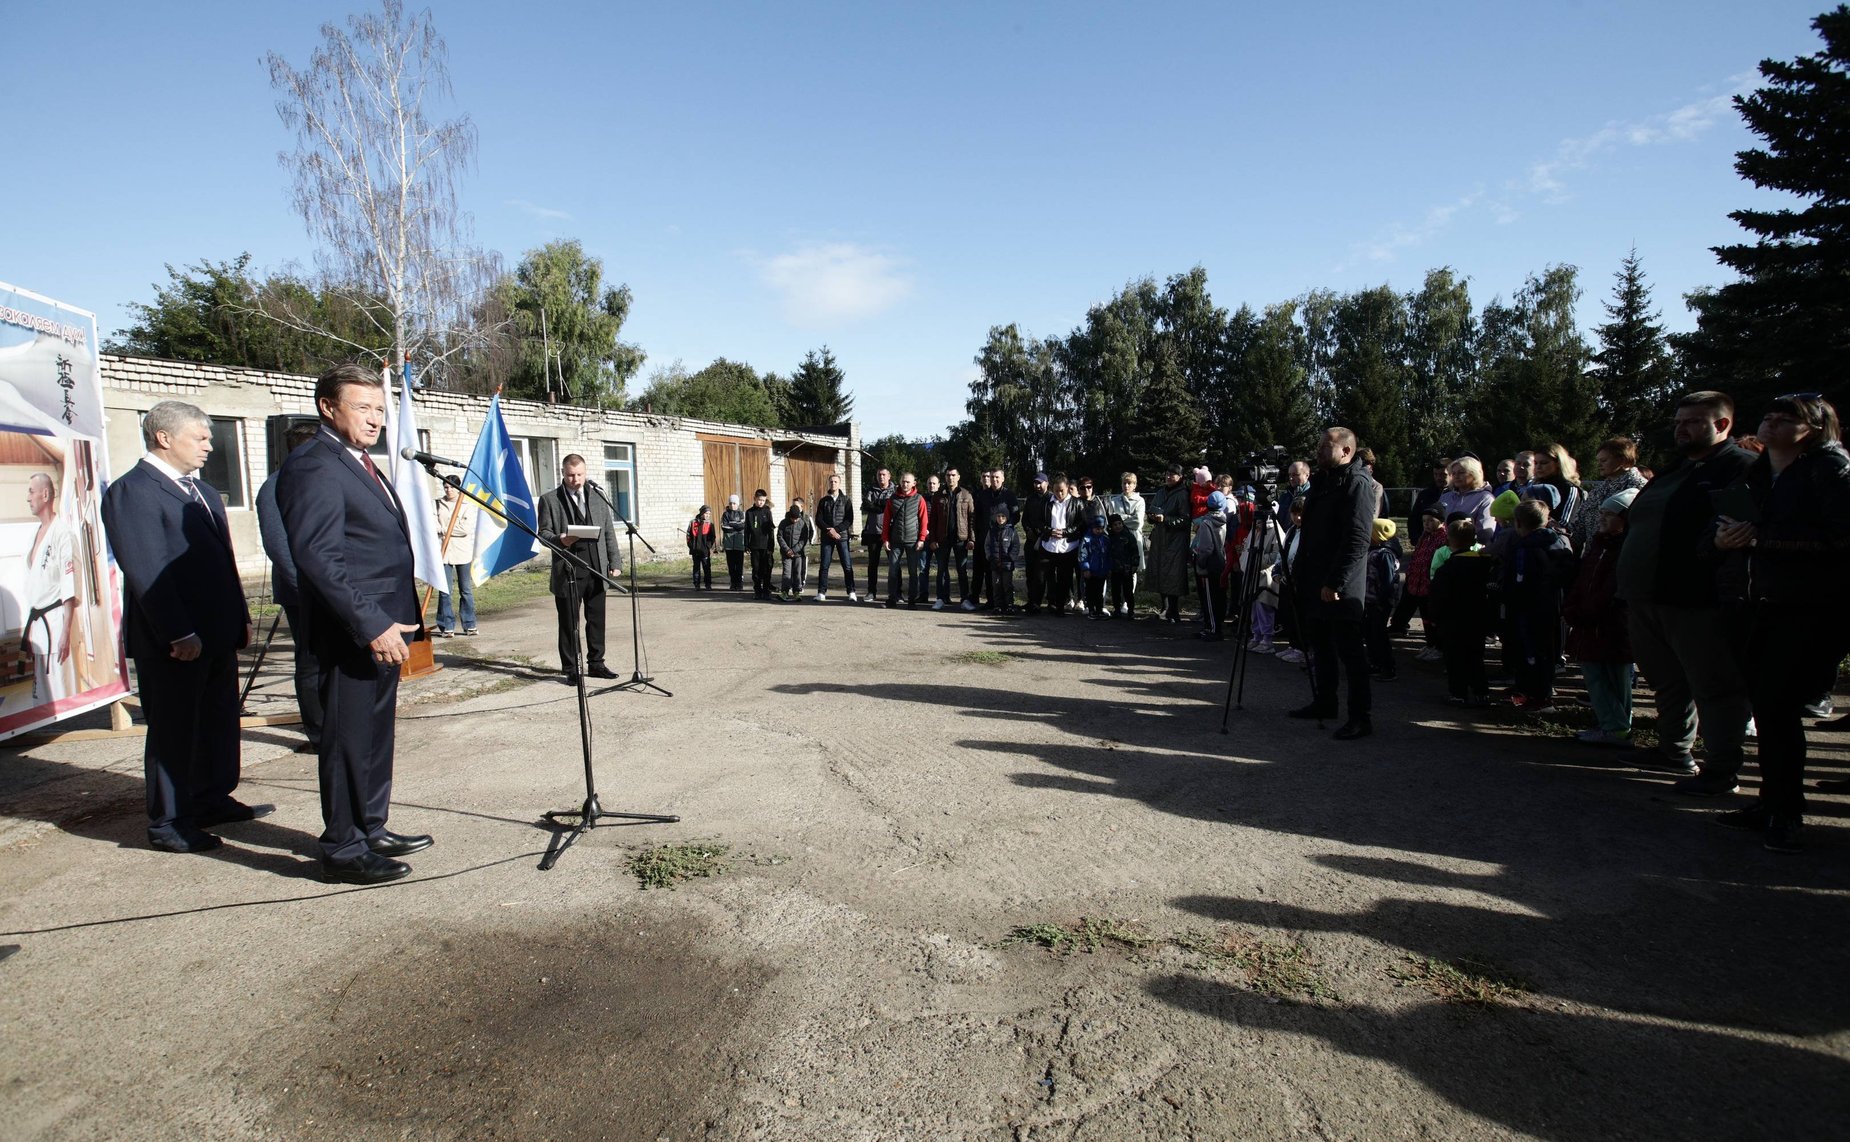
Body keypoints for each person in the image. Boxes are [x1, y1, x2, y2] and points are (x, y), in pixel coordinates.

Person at [276, 365, 428, 884]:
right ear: (328, 407)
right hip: (352, 630)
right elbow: (318, 557)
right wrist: (370, 624)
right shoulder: (313, 465)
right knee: (346, 740)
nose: (375, 418)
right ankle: (343, 847)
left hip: (385, 623)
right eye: (362, 407)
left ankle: (371, 825)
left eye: (380, 409)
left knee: (374, 734)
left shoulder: (358, 462)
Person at [101, 399, 259, 855]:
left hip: (216, 631)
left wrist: (240, 616)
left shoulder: (202, 492)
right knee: (174, 730)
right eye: (202, 437)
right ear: (164, 437)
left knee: (217, 721)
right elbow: (147, 568)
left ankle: (210, 797)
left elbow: (224, 563)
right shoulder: (135, 491)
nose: (211, 446)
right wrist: (176, 631)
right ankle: (169, 821)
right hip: (174, 640)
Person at [1714, 394, 1850, 853]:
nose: (1770, 424)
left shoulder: (1830, 470)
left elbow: (1840, 538)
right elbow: (1729, 524)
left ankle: (1787, 811)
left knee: (1779, 708)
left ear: (1814, 427)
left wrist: (1761, 538)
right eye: (1767, 416)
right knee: (1766, 709)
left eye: (1785, 419)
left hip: (1805, 607)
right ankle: (1769, 802)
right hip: (1752, 602)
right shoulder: (1756, 471)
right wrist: (1721, 538)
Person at [1616, 391, 1755, 793]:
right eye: (1678, 421)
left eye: (1692, 421)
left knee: (1713, 685)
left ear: (1723, 424)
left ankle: (1722, 768)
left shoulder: (1737, 467)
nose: (1681, 428)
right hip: (1647, 595)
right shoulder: (1679, 469)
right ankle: (1674, 749)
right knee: (1667, 680)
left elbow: (1738, 527)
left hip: (1697, 599)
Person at [1289, 427, 1377, 740]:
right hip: (1314, 581)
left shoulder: (1357, 483)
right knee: (1321, 647)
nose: (1318, 451)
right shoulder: (1323, 481)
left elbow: (1357, 539)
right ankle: (1325, 702)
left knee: (1350, 653)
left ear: (1346, 452)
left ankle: (1360, 717)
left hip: (1340, 586)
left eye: (1325, 447)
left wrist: (1336, 581)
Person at [256, 420, 325, 752]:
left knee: (331, 659)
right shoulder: (275, 486)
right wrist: (308, 591)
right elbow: (278, 545)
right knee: (311, 660)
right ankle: (318, 732)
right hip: (304, 595)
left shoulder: (319, 480)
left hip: (331, 592)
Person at [1563, 489, 1638, 745]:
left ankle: (1616, 726)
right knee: (1596, 674)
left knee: (1616, 678)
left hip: (1610, 623)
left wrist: (1587, 611)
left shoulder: (1625, 547)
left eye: (1610, 514)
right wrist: (1573, 605)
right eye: (1602, 513)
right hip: (1590, 623)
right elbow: (1585, 578)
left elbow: (1613, 587)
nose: (1603, 518)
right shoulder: (1599, 544)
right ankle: (1612, 724)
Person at [538, 454, 622, 680]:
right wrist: (559, 539)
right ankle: (571, 669)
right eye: (570, 475)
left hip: (596, 568)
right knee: (569, 623)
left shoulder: (598, 497)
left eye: (580, 475)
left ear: (585, 473)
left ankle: (596, 663)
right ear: (563, 474)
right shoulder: (550, 500)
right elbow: (542, 534)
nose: (575, 480)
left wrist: (615, 562)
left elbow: (608, 532)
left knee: (596, 620)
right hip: (569, 570)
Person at [1501, 500, 1576, 713]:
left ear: (1518, 523)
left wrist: (1508, 595)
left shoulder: (1526, 547)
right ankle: (1527, 688)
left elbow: (1519, 579)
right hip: (1549, 605)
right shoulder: (1558, 541)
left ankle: (1539, 696)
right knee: (1538, 649)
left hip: (1528, 607)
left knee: (1532, 651)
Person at [22, 472, 77, 705]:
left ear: (45, 494)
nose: (28, 498)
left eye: (31, 491)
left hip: (54, 623)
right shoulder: (36, 534)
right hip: (38, 625)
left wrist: (66, 630)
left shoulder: (62, 533)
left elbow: (69, 585)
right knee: (41, 697)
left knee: (59, 692)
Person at [1428, 518, 1494, 706]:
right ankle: (1482, 693)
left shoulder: (1448, 568)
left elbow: (1438, 596)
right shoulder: (1484, 564)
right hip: (1477, 619)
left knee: (1455, 659)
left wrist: (1434, 617)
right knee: (1475, 657)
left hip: (1453, 621)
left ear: (1449, 539)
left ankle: (1458, 693)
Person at [1571, 438, 1648, 553]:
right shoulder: (1597, 491)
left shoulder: (1639, 487)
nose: (1599, 465)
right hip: (1593, 558)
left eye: (1604, 460)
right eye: (1598, 461)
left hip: (1620, 556)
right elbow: (1579, 527)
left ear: (1622, 460)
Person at [1397, 505, 1448, 661]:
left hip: (1430, 584)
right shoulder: (1424, 537)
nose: (1427, 524)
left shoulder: (1443, 538)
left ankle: (1438, 646)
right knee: (1425, 618)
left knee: (1434, 619)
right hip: (1417, 584)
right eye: (1424, 521)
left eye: (1431, 520)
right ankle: (1430, 644)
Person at [1147, 465, 1191, 622]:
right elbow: (1151, 510)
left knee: (1173, 575)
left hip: (1175, 541)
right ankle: (1164, 608)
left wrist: (1165, 519)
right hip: (1160, 538)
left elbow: (1185, 520)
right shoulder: (1161, 492)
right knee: (1159, 572)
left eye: (1173, 475)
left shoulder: (1183, 494)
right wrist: (1152, 516)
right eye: (1167, 474)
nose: (1169, 477)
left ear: (1180, 477)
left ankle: (1173, 610)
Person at [432, 481, 477, 636]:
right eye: (446, 487)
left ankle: (469, 624)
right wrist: (445, 529)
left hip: (462, 552)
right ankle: (447, 625)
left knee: (466, 590)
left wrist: (444, 530)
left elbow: (465, 529)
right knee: (445, 590)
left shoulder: (466, 504)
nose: (449, 489)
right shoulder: (438, 504)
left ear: (458, 489)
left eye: (452, 487)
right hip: (444, 552)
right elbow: (433, 525)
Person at [881, 472, 928, 607]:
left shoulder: (919, 499)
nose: (905, 484)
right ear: (900, 483)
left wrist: (922, 539)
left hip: (913, 541)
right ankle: (892, 599)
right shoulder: (892, 499)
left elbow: (924, 520)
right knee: (892, 571)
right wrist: (885, 539)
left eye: (908, 482)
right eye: (903, 481)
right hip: (895, 541)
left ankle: (912, 600)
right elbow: (886, 520)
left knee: (913, 572)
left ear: (914, 483)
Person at [1040, 474, 1083, 617]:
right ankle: (1051, 603)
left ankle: (1061, 606)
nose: (1059, 494)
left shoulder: (1076, 503)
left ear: (1067, 489)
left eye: (1062, 491)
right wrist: (1049, 531)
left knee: (1064, 578)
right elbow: (1040, 522)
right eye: (1056, 490)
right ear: (1052, 489)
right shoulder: (1047, 502)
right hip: (1049, 546)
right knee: (1049, 577)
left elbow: (1080, 524)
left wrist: (1065, 532)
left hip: (1068, 547)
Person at [1104, 471, 1147, 616]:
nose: (1127, 486)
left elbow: (1138, 522)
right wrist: (1127, 518)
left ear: (1135, 485)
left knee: (1132, 572)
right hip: (1117, 539)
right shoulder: (1114, 500)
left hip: (1134, 537)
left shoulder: (1140, 500)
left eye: (1130, 483)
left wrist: (1121, 520)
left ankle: (1127, 603)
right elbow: (1112, 519)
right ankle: (1117, 605)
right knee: (1117, 573)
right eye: (1124, 483)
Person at [1363, 519, 1401, 680]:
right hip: (1369, 600)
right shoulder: (1374, 550)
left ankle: (1387, 667)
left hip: (1379, 602)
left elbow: (1388, 581)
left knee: (1379, 634)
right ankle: (1375, 663)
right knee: (1369, 633)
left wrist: (1383, 600)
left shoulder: (1384, 555)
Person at [813, 473, 856, 601]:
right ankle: (821, 592)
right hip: (827, 538)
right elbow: (818, 519)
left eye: (835, 481)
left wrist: (836, 530)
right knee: (824, 565)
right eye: (831, 481)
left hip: (842, 537)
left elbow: (849, 519)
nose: (833, 483)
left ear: (839, 483)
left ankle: (851, 592)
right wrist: (829, 531)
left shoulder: (846, 500)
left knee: (847, 565)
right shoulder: (823, 501)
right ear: (829, 483)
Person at [1191, 491, 1228, 639]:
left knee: (1209, 599)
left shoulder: (1207, 523)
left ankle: (1212, 628)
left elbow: (1206, 548)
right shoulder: (1225, 520)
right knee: (1218, 596)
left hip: (1208, 566)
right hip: (1221, 563)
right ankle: (1213, 626)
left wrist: (1200, 561)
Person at [1533, 442, 1585, 540]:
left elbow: (1565, 524)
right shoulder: (1534, 486)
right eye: (1536, 463)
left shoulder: (1569, 488)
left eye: (1544, 463)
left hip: (1557, 543)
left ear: (1558, 463)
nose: (1538, 467)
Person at [1437, 457, 1498, 539]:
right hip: (1443, 548)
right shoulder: (1446, 496)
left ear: (1474, 474)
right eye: (1453, 473)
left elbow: (1485, 532)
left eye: (1461, 473)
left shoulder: (1485, 498)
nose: (1456, 476)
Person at [941, 467, 976, 608]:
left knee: (962, 569)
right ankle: (942, 598)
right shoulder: (940, 494)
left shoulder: (966, 495)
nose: (951, 478)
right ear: (945, 477)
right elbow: (935, 519)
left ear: (958, 477)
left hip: (961, 538)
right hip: (944, 538)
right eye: (948, 475)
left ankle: (964, 599)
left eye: (953, 475)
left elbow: (972, 518)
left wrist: (971, 538)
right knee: (942, 569)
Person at [861, 467, 895, 602]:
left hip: (890, 532)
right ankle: (871, 592)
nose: (881, 477)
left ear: (889, 476)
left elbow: (891, 505)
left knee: (894, 563)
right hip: (873, 532)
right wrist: (882, 505)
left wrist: (878, 504)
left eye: (883, 475)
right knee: (872, 564)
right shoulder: (870, 489)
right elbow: (866, 505)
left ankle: (896, 592)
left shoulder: (894, 490)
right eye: (879, 475)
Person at [1021, 472, 1053, 613]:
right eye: (1035, 483)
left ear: (1046, 483)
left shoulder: (1051, 498)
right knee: (1031, 573)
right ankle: (1032, 601)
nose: (1037, 485)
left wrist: (1043, 532)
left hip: (1047, 540)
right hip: (1031, 540)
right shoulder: (1030, 499)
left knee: (1047, 574)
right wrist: (1028, 530)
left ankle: (1052, 602)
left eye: (1040, 482)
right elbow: (1025, 518)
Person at [984, 505, 1023, 613]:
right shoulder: (991, 531)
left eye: (1003, 516)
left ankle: (1009, 604)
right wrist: (989, 556)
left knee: (1007, 585)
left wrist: (1012, 557)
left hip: (1007, 564)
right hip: (995, 563)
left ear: (1007, 518)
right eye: (998, 516)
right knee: (996, 585)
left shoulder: (1011, 531)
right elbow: (986, 545)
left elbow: (1016, 545)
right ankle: (998, 605)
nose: (1000, 519)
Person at [777, 498, 814, 601]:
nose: (794, 521)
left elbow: (803, 539)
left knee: (797, 572)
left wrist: (794, 550)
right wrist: (787, 550)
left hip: (798, 554)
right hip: (786, 553)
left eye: (796, 519)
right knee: (786, 572)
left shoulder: (803, 524)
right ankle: (784, 591)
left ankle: (797, 591)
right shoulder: (783, 523)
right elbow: (780, 537)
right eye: (793, 519)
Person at [1078, 513, 1113, 619]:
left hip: (1102, 571)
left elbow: (1108, 555)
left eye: (1101, 528)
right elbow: (1083, 555)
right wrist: (1086, 568)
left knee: (1100, 591)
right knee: (1090, 590)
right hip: (1091, 571)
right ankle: (1091, 609)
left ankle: (1099, 609)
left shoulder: (1105, 539)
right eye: (1097, 528)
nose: (1099, 531)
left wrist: (1108, 568)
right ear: (1092, 527)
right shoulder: (1087, 540)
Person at [743, 488, 776, 599]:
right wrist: (746, 544)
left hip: (766, 545)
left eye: (763, 500)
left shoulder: (767, 511)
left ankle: (766, 590)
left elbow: (771, 530)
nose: (760, 502)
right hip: (755, 546)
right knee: (756, 569)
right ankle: (757, 590)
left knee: (766, 568)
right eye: (759, 500)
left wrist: (771, 545)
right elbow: (747, 529)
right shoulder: (749, 512)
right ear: (754, 499)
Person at [1107, 514, 1141, 620]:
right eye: (1115, 525)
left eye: (1119, 524)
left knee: (1128, 592)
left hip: (1127, 568)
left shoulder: (1129, 536)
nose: (1118, 526)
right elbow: (1107, 553)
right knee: (1115, 591)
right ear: (1111, 526)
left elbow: (1135, 551)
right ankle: (1117, 610)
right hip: (1115, 569)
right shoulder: (1109, 537)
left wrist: (1135, 564)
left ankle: (1131, 611)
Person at [1408, 459, 1450, 540]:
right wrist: (1415, 538)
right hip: (1425, 543)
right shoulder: (1424, 495)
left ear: (1451, 474)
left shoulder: (1458, 496)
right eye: (1435, 474)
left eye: (1443, 475)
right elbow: (1414, 518)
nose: (1438, 478)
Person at [719, 494, 747, 590]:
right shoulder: (725, 514)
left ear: (738, 504)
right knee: (731, 564)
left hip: (739, 543)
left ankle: (739, 583)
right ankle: (733, 582)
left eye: (734, 503)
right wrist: (736, 525)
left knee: (739, 564)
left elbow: (742, 525)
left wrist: (731, 523)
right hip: (729, 544)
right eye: (730, 503)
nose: (732, 505)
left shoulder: (741, 514)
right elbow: (725, 527)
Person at [685, 505, 716, 590]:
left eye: (709, 514)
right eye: (706, 513)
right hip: (695, 550)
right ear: (702, 513)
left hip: (705, 550)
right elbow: (688, 535)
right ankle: (696, 584)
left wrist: (708, 546)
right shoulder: (693, 522)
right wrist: (691, 545)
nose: (707, 515)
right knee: (696, 568)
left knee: (706, 568)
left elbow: (712, 537)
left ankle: (708, 584)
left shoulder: (710, 524)